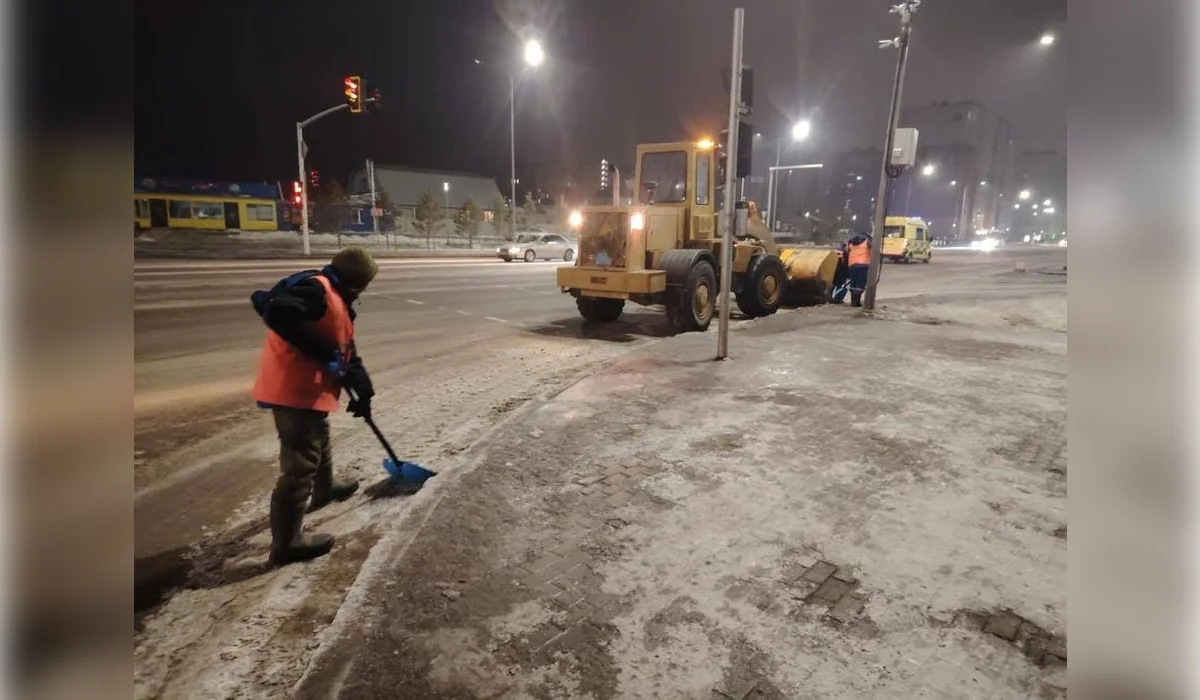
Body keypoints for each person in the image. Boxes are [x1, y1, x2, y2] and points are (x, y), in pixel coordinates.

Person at [250, 247, 380, 565]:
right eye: (362, 286)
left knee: (319, 438)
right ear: (354, 283)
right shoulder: (316, 290)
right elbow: (278, 312)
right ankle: (287, 544)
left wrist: (362, 387)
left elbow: (344, 348)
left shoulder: (336, 296)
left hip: (308, 391)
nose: (362, 292)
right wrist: (326, 353)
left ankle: (325, 488)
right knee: (299, 467)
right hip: (293, 392)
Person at [845, 231, 872, 307]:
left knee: (853, 284)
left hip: (852, 265)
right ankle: (857, 302)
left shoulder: (851, 242)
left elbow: (847, 251)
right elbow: (873, 250)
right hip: (863, 264)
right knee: (860, 284)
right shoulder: (868, 240)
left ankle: (853, 302)